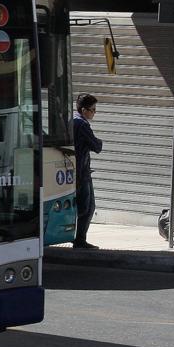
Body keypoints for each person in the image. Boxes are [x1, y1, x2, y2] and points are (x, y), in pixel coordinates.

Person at [72, 94, 103, 249]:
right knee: (87, 207)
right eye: (92, 110)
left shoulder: (71, 120)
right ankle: (79, 239)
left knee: (82, 206)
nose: (94, 113)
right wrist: (99, 142)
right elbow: (96, 146)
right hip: (81, 173)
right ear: (84, 110)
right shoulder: (82, 125)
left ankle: (78, 238)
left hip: (75, 171)